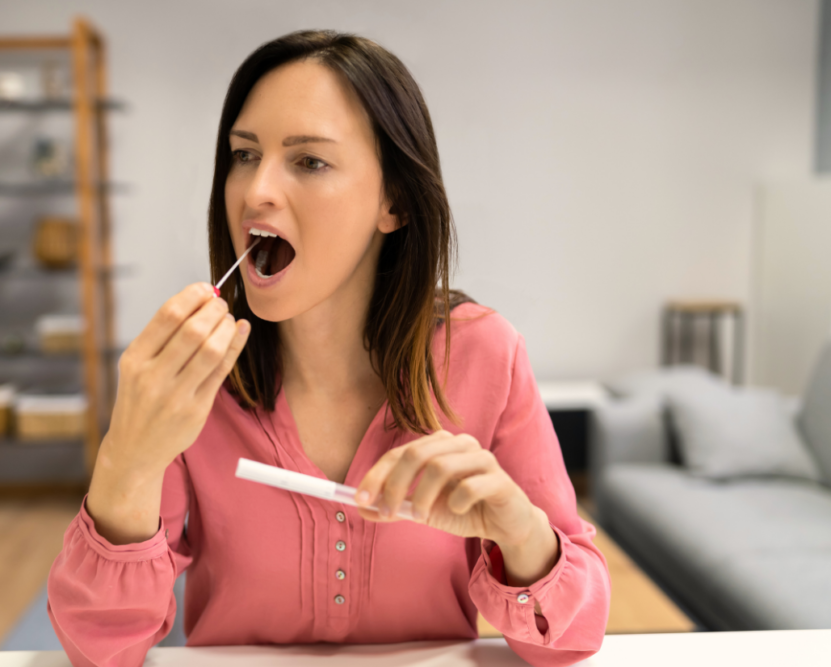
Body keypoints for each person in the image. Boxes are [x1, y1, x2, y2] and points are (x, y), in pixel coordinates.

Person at [47, 30, 610, 667]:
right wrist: (126, 458)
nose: (256, 190)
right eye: (243, 155)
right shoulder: (193, 377)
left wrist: (520, 529)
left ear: (393, 201)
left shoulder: (485, 355)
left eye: (308, 161)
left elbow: (572, 638)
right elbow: (99, 650)